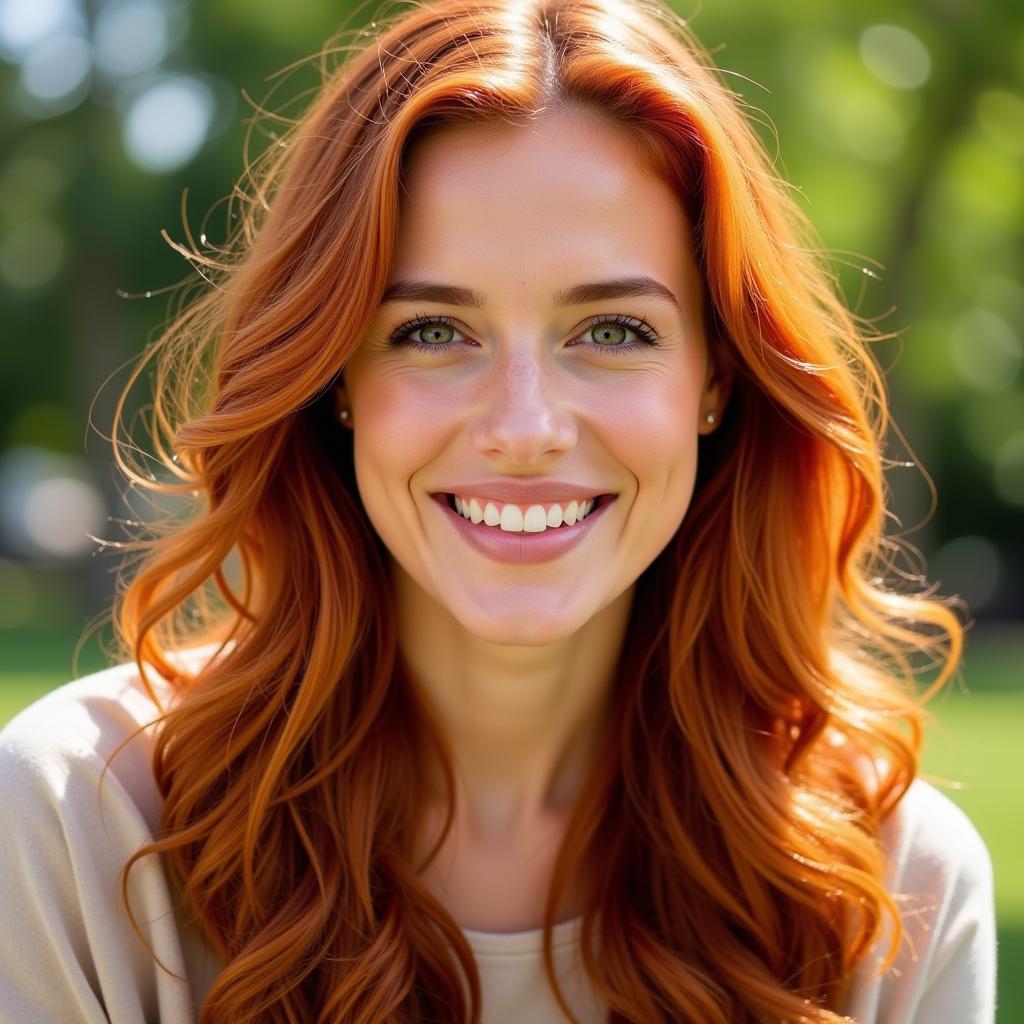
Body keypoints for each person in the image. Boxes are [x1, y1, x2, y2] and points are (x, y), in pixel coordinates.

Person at [0, 0, 996, 1021]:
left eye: (612, 329)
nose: (525, 427)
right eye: (432, 329)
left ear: (717, 378)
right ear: (334, 375)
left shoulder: (883, 877)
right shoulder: (84, 820)